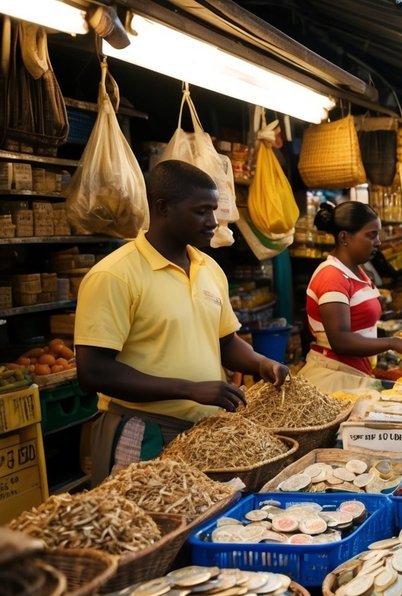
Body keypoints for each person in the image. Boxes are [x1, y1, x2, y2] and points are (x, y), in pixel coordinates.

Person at [76, 160, 288, 483]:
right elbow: (93, 371)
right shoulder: (114, 275)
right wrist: (190, 390)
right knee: (145, 527)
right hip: (143, 432)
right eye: (201, 211)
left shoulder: (209, 269)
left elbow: (224, 341)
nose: (213, 222)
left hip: (204, 434)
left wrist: (262, 364)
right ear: (163, 208)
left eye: (214, 210)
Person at [302, 202, 402, 392]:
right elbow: (340, 340)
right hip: (332, 379)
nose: (378, 242)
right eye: (371, 235)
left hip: (353, 375)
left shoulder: (357, 271)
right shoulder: (332, 276)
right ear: (344, 237)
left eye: (378, 235)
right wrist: (393, 343)